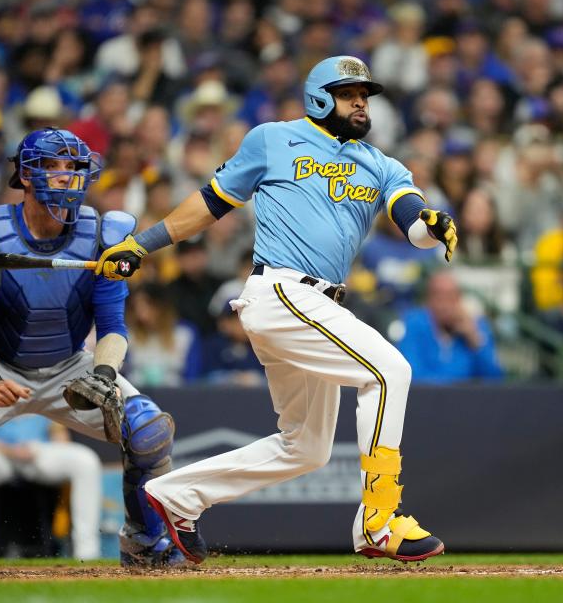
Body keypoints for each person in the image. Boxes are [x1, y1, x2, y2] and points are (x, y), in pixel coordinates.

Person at [96, 56, 459, 564]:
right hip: (284, 291)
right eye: (348, 91)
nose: (360, 101)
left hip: (314, 305)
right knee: (389, 371)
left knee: (306, 448)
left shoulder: (381, 162)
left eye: (364, 94)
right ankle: (379, 519)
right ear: (318, 96)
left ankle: (176, 495)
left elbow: (410, 218)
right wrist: (142, 243)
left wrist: (431, 224)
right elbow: (211, 202)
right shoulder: (273, 138)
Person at [0, 128, 184, 572]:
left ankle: (143, 539)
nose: (65, 177)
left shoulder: (102, 237)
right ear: (25, 175)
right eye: (53, 166)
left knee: (148, 432)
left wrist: (102, 375)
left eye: (73, 168)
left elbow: (113, 326)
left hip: (71, 365)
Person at [0, 415, 102, 561]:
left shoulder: (47, 393)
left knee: (86, 461)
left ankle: (87, 552)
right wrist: (9, 450)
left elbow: (60, 437)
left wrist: (44, 450)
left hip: (37, 451)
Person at [396, 270, 503, 384]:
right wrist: (456, 381)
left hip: (467, 399)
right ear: (428, 299)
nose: (444, 305)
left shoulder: (476, 326)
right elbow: (413, 375)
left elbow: (495, 378)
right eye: (438, 296)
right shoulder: (414, 324)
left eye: (451, 297)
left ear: (459, 299)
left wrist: (475, 340)